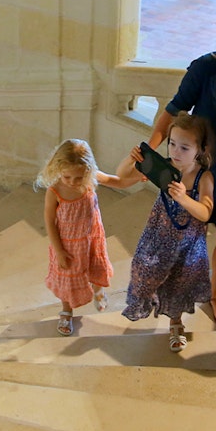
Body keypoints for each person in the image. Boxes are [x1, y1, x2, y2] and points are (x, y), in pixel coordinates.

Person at [126, 0, 216, 328]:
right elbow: (173, 109)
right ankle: (170, 293)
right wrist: (148, 152)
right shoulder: (206, 68)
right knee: (185, 238)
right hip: (199, 171)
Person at [121, 113, 215, 352]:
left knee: (179, 284)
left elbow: (205, 212)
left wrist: (184, 198)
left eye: (184, 147)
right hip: (159, 236)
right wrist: (131, 161)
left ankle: (176, 323)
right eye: (172, 143)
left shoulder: (204, 177)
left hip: (187, 244)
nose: (176, 152)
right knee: (142, 269)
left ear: (200, 150)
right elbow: (124, 177)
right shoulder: (165, 167)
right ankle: (149, 299)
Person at [35, 139, 136, 337]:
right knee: (67, 280)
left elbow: (119, 182)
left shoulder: (91, 179)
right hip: (67, 245)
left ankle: (98, 290)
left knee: (95, 266)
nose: (73, 182)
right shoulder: (54, 191)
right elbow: (49, 222)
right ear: (58, 169)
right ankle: (66, 311)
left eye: (78, 177)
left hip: (91, 238)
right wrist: (59, 251)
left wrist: (138, 177)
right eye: (67, 177)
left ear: (88, 171)